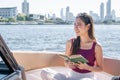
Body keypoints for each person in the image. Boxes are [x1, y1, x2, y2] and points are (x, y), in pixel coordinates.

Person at [40, 13, 103, 80]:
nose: (76, 27)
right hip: (71, 77)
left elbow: (100, 68)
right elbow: (66, 62)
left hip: (87, 78)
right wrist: (68, 64)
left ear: (88, 26)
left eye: (79, 24)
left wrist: (87, 67)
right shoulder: (70, 42)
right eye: (75, 24)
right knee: (44, 71)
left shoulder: (97, 46)